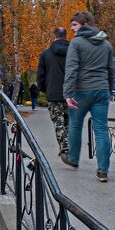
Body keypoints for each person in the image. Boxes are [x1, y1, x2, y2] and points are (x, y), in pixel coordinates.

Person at [60, 11, 114, 182]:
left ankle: (73, 159)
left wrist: (67, 93)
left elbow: (71, 69)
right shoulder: (106, 44)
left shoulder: (76, 43)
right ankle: (103, 171)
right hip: (101, 90)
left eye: (74, 25)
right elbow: (111, 71)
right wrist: (109, 89)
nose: (71, 28)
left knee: (75, 125)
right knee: (101, 129)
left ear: (85, 24)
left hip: (81, 91)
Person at [37, 27, 70, 157]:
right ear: (65, 36)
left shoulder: (46, 54)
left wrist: (44, 89)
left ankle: (65, 147)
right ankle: (72, 146)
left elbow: (41, 76)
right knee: (70, 121)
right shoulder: (72, 52)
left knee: (58, 122)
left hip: (53, 93)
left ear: (54, 36)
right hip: (70, 93)